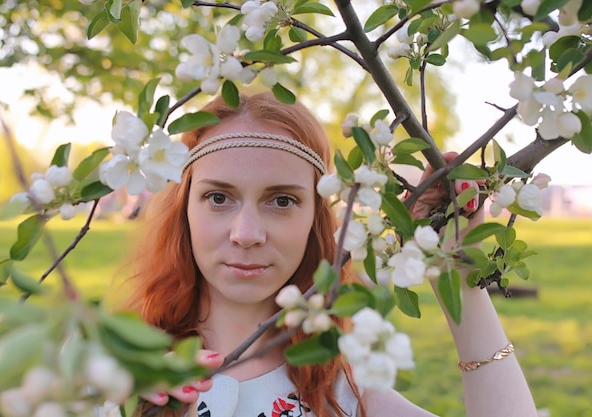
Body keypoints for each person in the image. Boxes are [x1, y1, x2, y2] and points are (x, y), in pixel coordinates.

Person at [119, 91, 537, 417]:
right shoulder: (111, 368)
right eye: (217, 197)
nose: (246, 234)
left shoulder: (341, 395)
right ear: (184, 208)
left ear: (315, 219)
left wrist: (461, 283)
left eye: (281, 201)